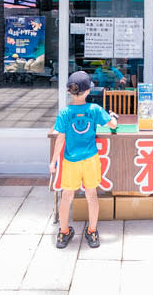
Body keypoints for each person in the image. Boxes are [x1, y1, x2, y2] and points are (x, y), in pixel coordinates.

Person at [49, 70, 117, 249]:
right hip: (90, 160)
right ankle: (92, 231)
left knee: (66, 197)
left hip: (70, 161)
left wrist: (53, 161)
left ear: (69, 92)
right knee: (91, 195)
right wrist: (113, 118)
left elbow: (60, 138)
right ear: (88, 91)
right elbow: (112, 124)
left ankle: (63, 232)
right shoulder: (94, 109)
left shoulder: (65, 112)